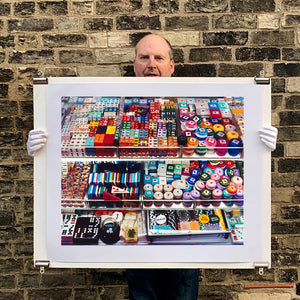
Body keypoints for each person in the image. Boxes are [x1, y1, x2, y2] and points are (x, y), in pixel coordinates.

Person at [27, 33, 278, 300]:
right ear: (134, 64)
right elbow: (85, 160)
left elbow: (227, 162)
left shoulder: (194, 99)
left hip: (186, 225)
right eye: (144, 57)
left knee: (183, 293)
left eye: (159, 58)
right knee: (142, 294)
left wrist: (257, 146)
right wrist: (45, 149)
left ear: (171, 66)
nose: (151, 64)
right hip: (135, 228)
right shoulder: (117, 100)